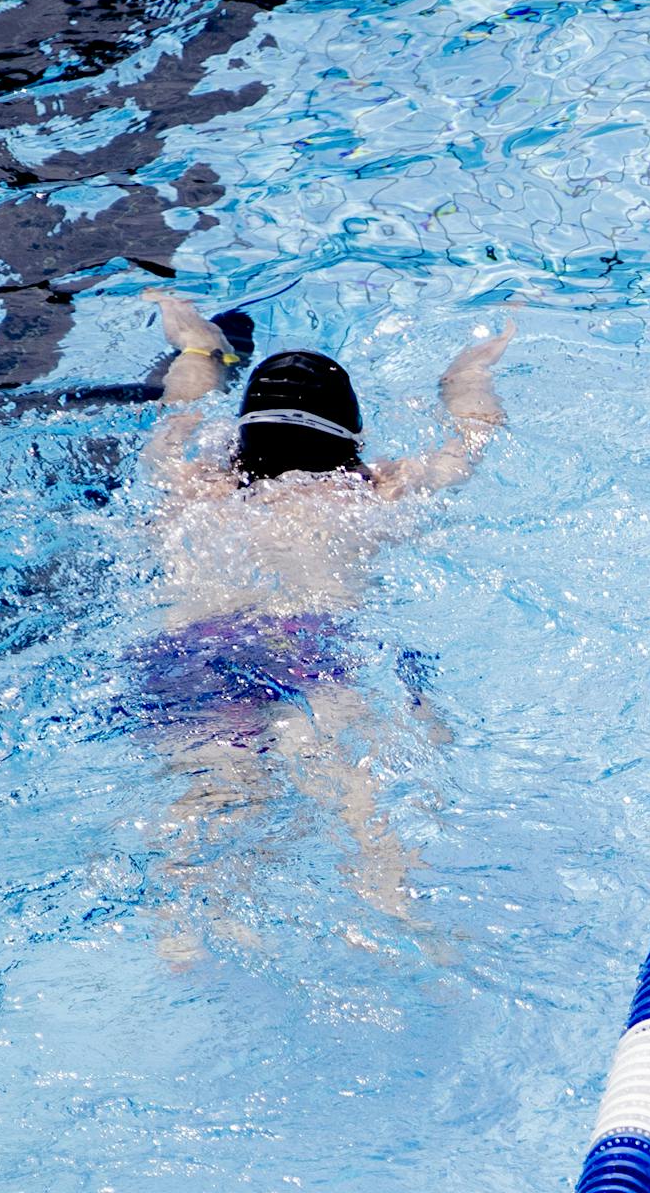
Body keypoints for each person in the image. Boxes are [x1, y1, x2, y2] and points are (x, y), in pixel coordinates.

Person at [132, 290, 515, 959]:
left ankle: (179, 941)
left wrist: (195, 345)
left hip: (191, 654)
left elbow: (179, 410)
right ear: (351, 440)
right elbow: (474, 437)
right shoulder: (374, 488)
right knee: (360, 809)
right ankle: (401, 920)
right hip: (306, 649)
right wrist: (467, 373)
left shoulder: (191, 483)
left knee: (204, 808)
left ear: (244, 434)